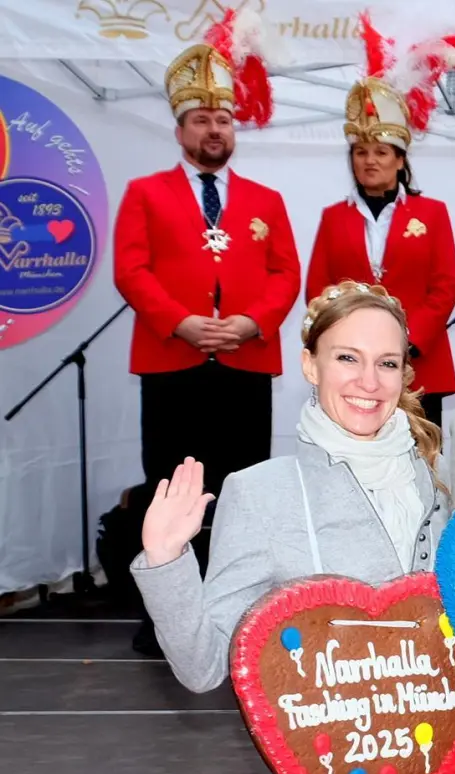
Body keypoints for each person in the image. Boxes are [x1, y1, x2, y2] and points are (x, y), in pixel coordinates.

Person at [129, 281, 455, 774]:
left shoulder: (452, 482)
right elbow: (201, 666)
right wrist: (168, 560)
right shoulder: (261, 492)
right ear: (310, 363)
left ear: (407, 372)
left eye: (388, 363)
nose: (369, 381)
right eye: (347, 358)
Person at [114, 30, 299, 653]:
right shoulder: (145, 194)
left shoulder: (266, 199)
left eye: (222, 119)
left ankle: (243, 614)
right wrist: (181, 322)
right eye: (200, 119)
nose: (213, 129)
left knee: (243, 490)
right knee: (168, 488)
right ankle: (168, 617)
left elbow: (286, 274)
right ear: (180, 129)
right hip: (173, 362)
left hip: (244, 363)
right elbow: (131, 269)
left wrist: (249, 322)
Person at [305, 32, 455, 428]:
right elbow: (318, 291)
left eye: (380, 152)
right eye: (360, 152)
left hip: (421, 364)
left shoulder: (432, 213)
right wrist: (351, 346)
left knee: (421, 461)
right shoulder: (332, 217)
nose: (369, 161)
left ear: (399, 160)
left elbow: (444, 287)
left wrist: (405, 342)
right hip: (354, 370)